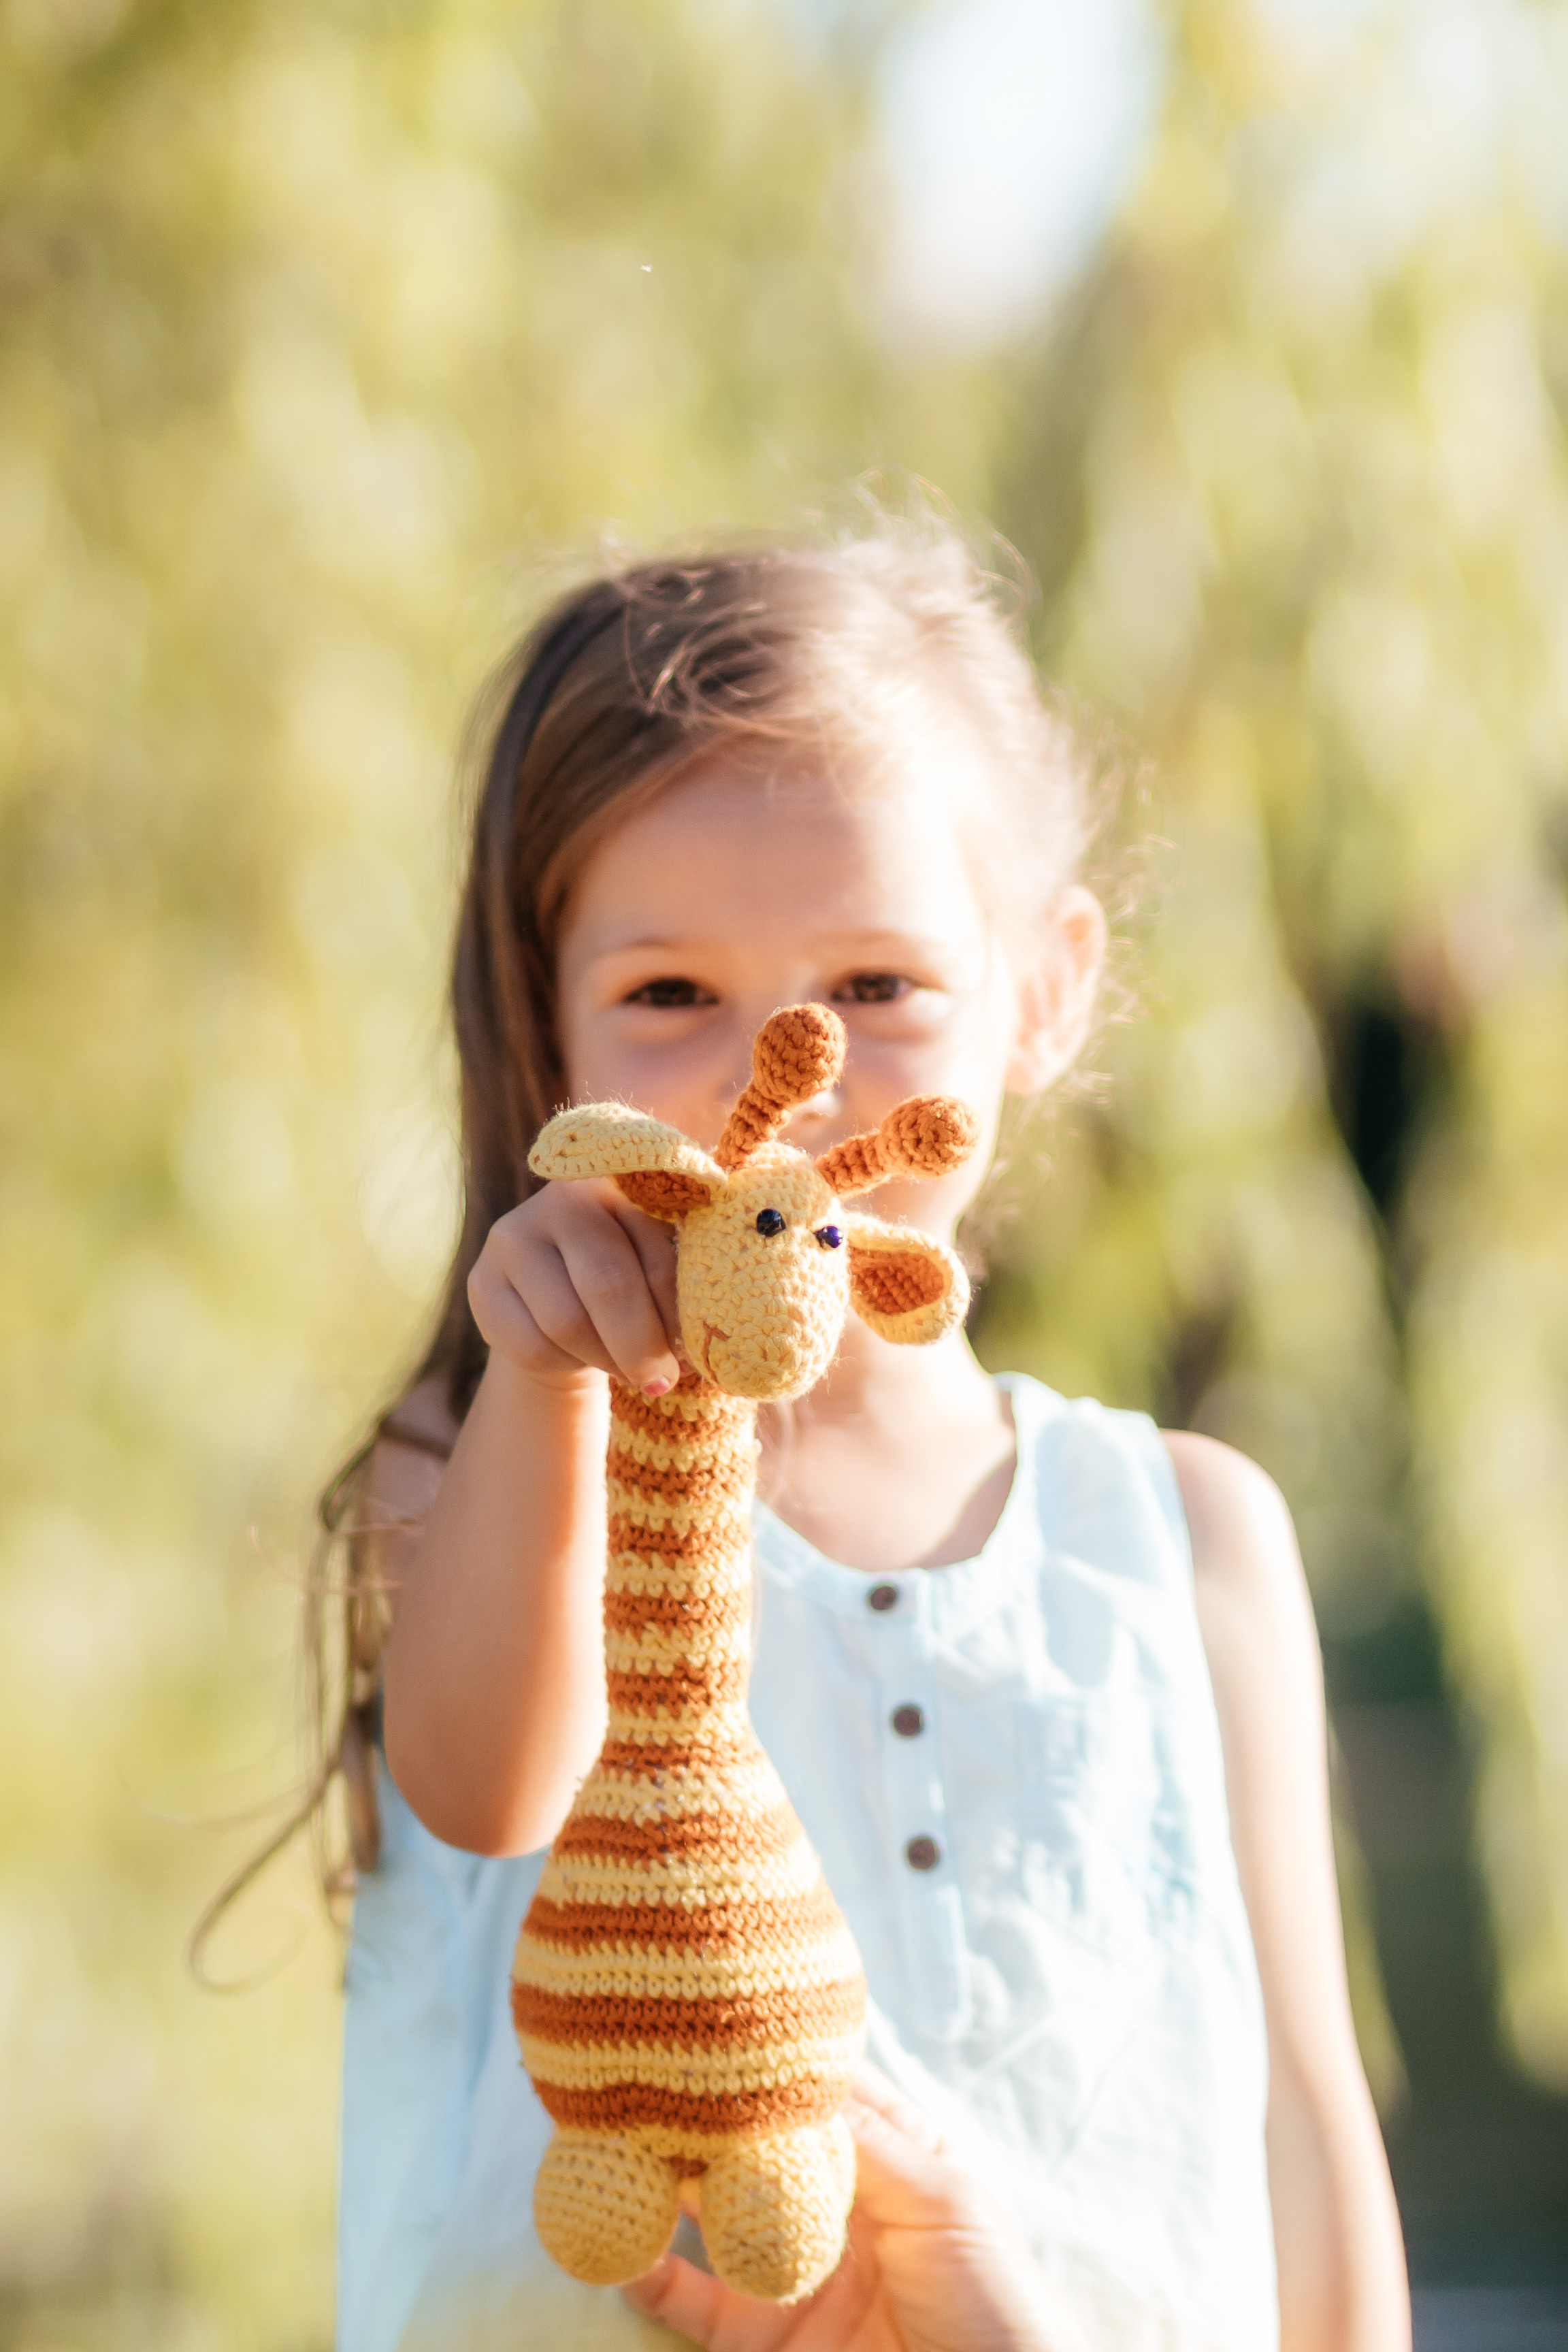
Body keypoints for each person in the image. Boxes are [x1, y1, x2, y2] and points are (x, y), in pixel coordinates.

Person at [327, 525, 1411, 2352]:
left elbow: (1305, 2133)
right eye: (671, 995)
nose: (789, 1069)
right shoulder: (497, 1456)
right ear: (553, 1026)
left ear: (1043, 996)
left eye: (882, 988)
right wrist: (550, 1378)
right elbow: (490, 1784)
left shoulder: (1183, 1538)